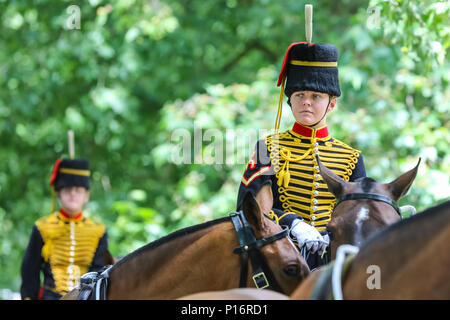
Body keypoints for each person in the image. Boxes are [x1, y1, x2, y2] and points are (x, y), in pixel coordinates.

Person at [237, 42, 366, 270]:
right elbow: (251, 211)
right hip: (278, 259)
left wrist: (331, 233)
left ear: (332, 104)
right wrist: (293, 223)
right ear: (290, 101)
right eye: (299, 94)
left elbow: (359, 216)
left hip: (334, 262)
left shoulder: (352, 158)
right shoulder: (268, 148)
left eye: (316, 96)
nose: (306, 101)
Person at [20, 158, 110, 299]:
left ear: (86, 196)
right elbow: (30, 272)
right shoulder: (42, 227)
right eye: (68, 190)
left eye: (78, 190)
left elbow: (99, 271)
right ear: (59, 193)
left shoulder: (98, 230)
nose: (73, 194)